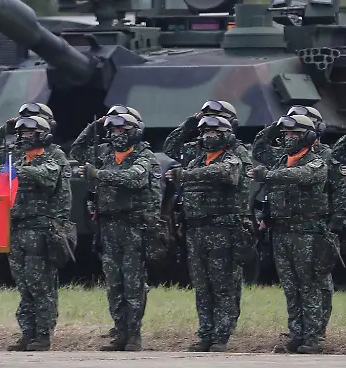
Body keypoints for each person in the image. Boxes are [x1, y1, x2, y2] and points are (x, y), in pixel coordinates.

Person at [76, 113, 159, 352]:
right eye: (113, 131)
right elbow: (77, 150)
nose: (117, 135)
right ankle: (120, 333)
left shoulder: (144, 156)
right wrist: (94, 126)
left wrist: (98, 174)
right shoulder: (106, 155)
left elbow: (134, 179)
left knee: (133, 284)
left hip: (134, 227)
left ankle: (134, 336)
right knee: (114, 284)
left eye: (122, 130)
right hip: (108, 227)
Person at [165, 116, 245, 352]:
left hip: (221, 232)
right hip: (196, 231)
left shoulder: (231, 159)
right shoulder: (196, 160)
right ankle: (205, 334)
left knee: (222, 285)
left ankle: (221, 336)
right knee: (201, 287)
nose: (209, 136)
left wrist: (186, 175)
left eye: (215, 132)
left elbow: (225, 173)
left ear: (226, 135)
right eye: (206, 132)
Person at [249, 114, 328, 354]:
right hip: (281, 232)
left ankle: (312, 338)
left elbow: (300, 175)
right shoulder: (281, 160)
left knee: (309, 286)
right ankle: (296, 335)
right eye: (286, 134)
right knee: (291, 288)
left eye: (294, 133)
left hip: (307, 234)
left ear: (308, 136)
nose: (288, 138)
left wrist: (266, 175)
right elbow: (260, 148)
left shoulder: (316, 162)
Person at [3, 113, 71, 352]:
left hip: (40, 230)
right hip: (18, 228)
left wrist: (18, 171)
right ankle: (27, 333)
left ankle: (42, 335)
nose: (25, 137)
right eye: (21, 133)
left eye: (30, 133)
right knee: (24, 285)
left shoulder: (53, 158)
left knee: (40, 285)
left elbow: (48, 177)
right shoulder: (20, 159)